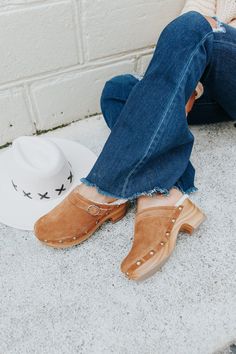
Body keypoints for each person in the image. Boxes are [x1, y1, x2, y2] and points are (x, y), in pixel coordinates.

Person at [34, 0, 236, 281]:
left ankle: (104, 188)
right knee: (119, 90)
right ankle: (162, 194)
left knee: (196, 27)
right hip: (212, 77)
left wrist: (210, 32)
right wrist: (191, 87)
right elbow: (195, 19)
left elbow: (201, 28)